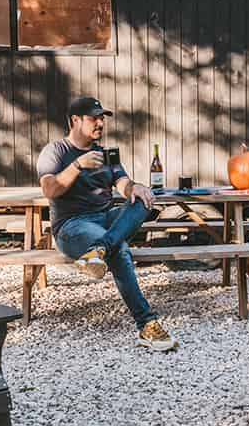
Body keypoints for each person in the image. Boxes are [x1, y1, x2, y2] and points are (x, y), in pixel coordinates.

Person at [36, 96, 177, 352]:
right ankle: (147, 324)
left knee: (141, 202)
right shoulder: (56, 151)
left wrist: (136, 188)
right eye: (94, 118)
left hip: (105, 219)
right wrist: (78, 165)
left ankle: (99, 249)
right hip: (72, 226)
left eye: (102, 118)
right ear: (75, 121)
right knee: (120, 250)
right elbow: (49, 189)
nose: (100, 123)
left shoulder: (106, 153)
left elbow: (122, 183)